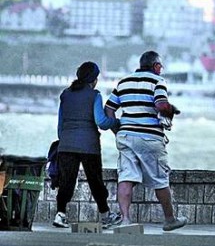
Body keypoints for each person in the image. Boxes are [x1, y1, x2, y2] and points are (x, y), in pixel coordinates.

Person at [105, 50, 186, 231]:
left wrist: (117, 129)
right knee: (160, 179)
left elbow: (109, 109)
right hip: (149, 137)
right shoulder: (158, 81)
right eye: (161, 67)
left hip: (125, 136)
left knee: (125, 177)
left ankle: (126, 220)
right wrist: (172, 109)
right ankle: (170, 219)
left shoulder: (124, 82)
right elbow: (160, 104)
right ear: (156, 66)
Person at [53, 61, 122, 229]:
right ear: (94, 79)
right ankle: (106, 216)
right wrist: (117, 122)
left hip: (66, 144)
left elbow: (60, 124)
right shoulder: (95, 95)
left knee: (67, 181)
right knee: (95, 181)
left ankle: (60, 214)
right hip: (89, 145)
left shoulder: (65, 94)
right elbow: (101, 122)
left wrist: (65, 140)